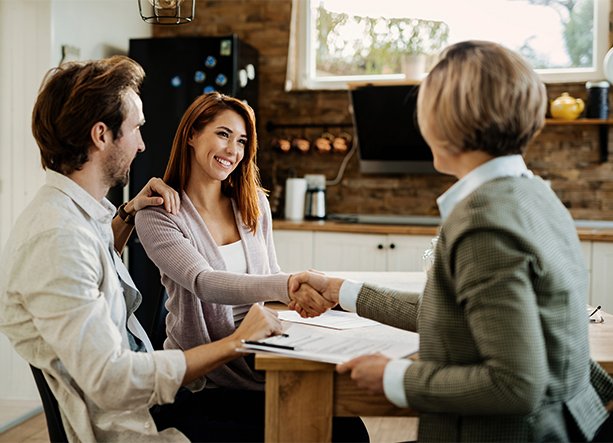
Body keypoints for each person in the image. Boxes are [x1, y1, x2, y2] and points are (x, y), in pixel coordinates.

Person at [290, 40, 613, 442]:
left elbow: (514, 384)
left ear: (441, 120)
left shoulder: (484, 222)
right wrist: (343, 291)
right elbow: (458, 313)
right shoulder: (535, 194)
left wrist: (396, 376)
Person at [0, 56, 286, 443]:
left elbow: (102, 261)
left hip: (150, 405)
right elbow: (112, 380)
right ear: (101, 135)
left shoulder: (76, 218)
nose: (142, 144)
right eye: (136, 128)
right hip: (140, 426)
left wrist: (129, 211)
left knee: (335, 426)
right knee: (330, 431)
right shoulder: (58, 238)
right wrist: (235, 342)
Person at [135, 92, 368, 441]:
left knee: (349, 429)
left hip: (264, 358)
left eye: (242, 140)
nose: (233, 150)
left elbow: (269, 277)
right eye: (223, 134)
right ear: (191, 135)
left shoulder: (253, 202)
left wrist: (305, 293)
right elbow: (204, 281)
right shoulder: (158, 215)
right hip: (204, 382)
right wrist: (288, 283)